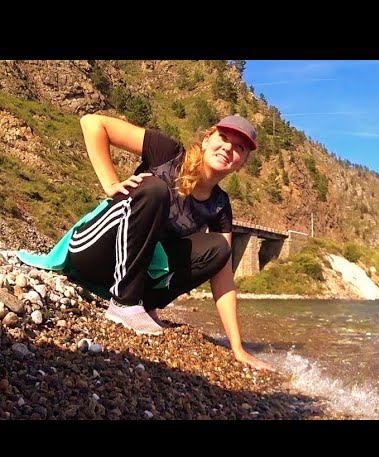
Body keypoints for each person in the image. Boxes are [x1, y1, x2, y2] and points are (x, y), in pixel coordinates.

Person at [54, 112, 273, 372]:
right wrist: (111, 183)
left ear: (242, 163)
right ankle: (124, 304)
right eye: (223, 137)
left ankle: (143, 302)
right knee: (155, 189)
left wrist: (237, 348)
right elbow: (92, 124)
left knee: (219, 248)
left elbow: (222, 274)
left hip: (123, 277)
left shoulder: (219, 205)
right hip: (91, 252)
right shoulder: (168, 153)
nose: (228, 148)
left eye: (239, 148)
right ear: (206, 140)